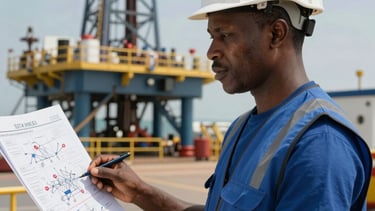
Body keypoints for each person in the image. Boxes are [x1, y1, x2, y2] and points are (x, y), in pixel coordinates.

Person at [87, 0, 372, 210]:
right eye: (212, 37)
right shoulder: (241, 128)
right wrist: (141, 193)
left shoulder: (318, 144)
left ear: (276, 34)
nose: (211, 52)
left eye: (226, 35)